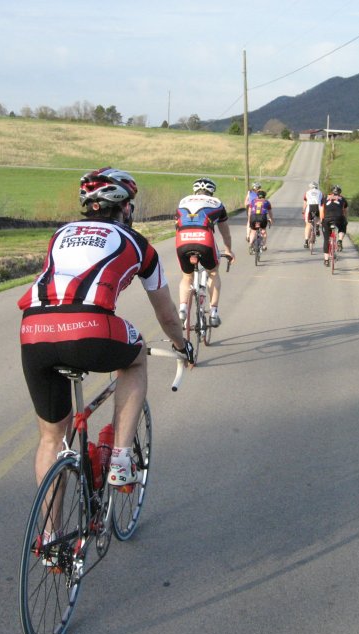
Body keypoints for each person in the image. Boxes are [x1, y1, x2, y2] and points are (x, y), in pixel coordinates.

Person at [18, 167, 194, 491]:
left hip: (33, 330)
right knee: (136, 356)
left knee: (52, 439)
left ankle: (49, 524)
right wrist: (182, 346)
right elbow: (168, 315)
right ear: (124, 206)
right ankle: (121, 461)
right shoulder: (139, 244)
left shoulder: (60, 234)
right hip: (89, 327)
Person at [175, 178, 236, 327]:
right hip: (204, 239)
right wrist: (228, 250)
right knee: (213, 272)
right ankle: (214, 313)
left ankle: (182, 309)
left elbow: (178, 225)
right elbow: (226, 234)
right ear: (211, 192)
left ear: (195, 191)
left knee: (187, 277)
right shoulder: (217, 203)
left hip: (182, 239)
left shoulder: (183, 201)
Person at [321, 184, 348, 266]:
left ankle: (326, 260)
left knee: (326, 239)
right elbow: (345, 211)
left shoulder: (325, 198)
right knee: (343, 226)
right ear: (340, 192)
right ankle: (339, 240)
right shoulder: (342, 198)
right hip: (338, 217)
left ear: (331, 192)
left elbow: (322, 210)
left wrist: (321, 221)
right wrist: (345, 219)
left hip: (327, 219)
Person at [302, 181, 323, 248]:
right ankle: (317, 226)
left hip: (309, 207)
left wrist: (303, 210)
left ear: (310, 187)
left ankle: (306, 242)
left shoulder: (307, 192)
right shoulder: (320, 192)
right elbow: (322, 203)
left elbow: (305, 203)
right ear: (317, 187)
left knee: (308, 225)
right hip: (318, 207)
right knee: (319, 218)